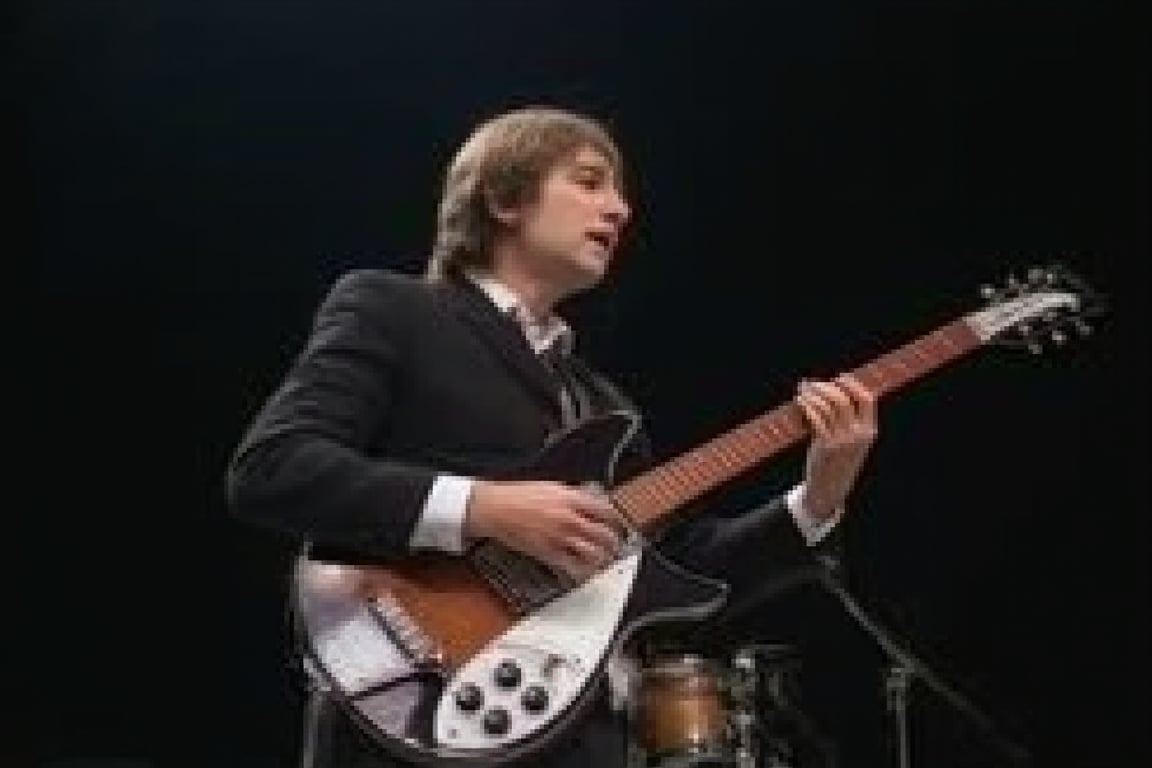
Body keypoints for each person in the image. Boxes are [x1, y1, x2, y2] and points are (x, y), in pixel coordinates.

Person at [225, 105, 879, 768]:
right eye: (591, 182)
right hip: (407, 699)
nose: (620, 209)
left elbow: (682, 576)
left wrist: (820, 494)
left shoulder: (605, 404)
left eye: (620, 193)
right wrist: (483, 508)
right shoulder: (394, 309)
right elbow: (274, 468)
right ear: (505, 198)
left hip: (575, 735)